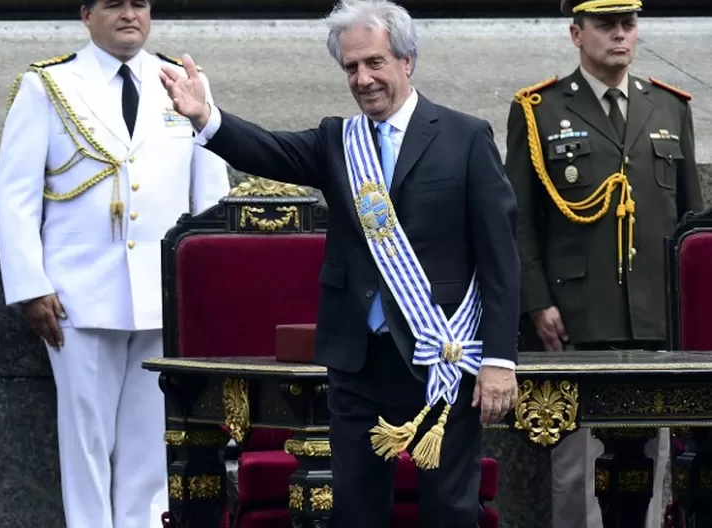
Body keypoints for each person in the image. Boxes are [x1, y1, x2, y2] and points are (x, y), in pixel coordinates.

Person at [160, 0, 520, 525]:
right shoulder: (338, 140)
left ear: (407, 60)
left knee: (449, 509)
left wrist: (499, 360)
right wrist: (205, 117)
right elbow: (268, 150)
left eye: (375, 62)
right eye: (351, 67)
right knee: (357, 510)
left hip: (440, 356)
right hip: (357, 360)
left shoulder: (465, 137)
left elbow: (500, 259)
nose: (364, 78)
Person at [0, 0, 230, 526]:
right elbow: (16, 195)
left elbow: (209, 192)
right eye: (114, 5)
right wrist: (30, 285)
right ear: (86, 14)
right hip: (76, 293)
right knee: (87, 440)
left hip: (162, 293)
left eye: (139, 4)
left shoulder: (184, 81)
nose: (129, 15)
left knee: (152, 442)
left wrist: (202, 291)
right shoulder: (48, 85)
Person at [504, 1, 704, 527]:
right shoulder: (538, 109)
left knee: (654, 466)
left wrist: (689, 316)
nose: (619, 35)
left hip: (656, 321)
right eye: (605, 25)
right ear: (577, 33)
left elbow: (690, 227)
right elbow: (520, 221)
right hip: (575, 318)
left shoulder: (668, 107)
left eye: (628, 25)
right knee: (577, 473)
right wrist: (538, 302)